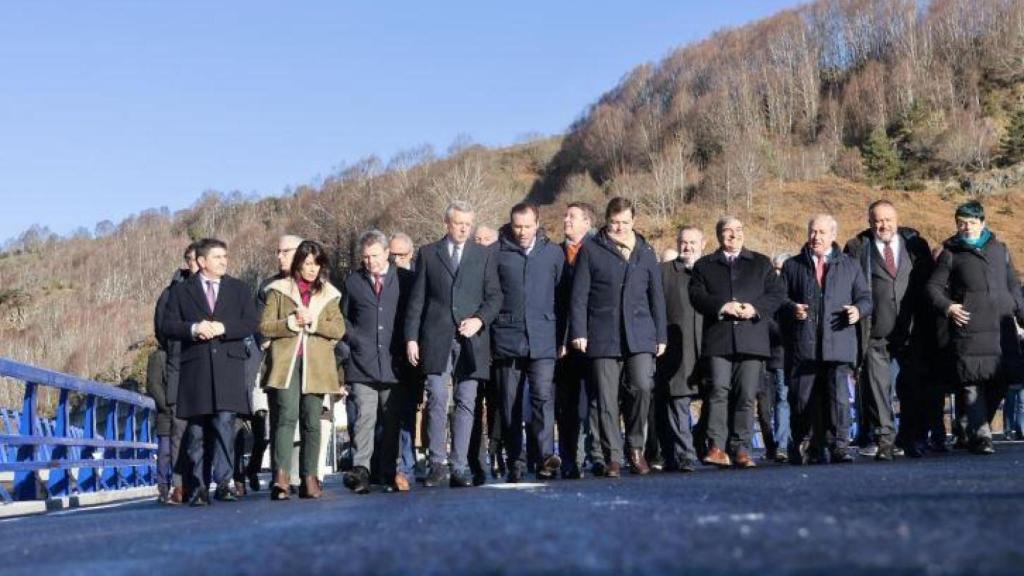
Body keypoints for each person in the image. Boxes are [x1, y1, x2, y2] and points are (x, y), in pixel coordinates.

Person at [404, 201, 502, 488]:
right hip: (435, 337)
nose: (463, 228)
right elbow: (417, 300)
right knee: (436, 396)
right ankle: (437, 463)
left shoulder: (483, 255)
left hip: (472, 339)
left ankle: (459, 466)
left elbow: (495, 297)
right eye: (458, 222)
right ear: (446, 223)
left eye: (468, 224)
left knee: (466, 401)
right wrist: (411, 337)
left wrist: (479, 321)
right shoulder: (428, 254)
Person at [570, 197, 667, 476]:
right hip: (602, 334)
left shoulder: (646, 251)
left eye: (625, 222)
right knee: (605, 398)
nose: (619, 227)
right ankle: (613, 455)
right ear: (606, 221)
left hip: (640, 333)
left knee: (642, 387)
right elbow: (579, 296)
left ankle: (635, 447)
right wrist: (579, 331)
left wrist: (660, 334)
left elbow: (656, 296)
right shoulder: (591, 250)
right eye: (614, 222)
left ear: (633, 221)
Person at [160, 238, 260, 506]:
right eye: (217, 257)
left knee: (225, 425)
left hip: (228, 366)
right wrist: (194, 329)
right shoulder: (182, 292)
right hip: (196, 368)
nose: (223, 261)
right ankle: (198, 486)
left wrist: (224, 328)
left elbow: (251, 322)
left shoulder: (239, 289)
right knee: (196, 430)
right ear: (202, 262)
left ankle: (224, 482)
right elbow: (168, 325)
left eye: (225, 256)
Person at [926, 201, 1024, 455]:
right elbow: (933, 288)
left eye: (970, 222)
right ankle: (981, 438)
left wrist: (1018, 311)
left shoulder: (999, 250)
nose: (965, 227)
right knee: (971, 383)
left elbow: (1014, 286)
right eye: (961, 223)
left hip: (1001, 332)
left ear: (982, 222)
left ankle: (968, 424)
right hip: (970, 330)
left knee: (1000, 383)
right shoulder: (951, 253)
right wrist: (948, 307)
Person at [689, 216, 785, 468]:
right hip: (718, 339)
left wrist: (755, 309)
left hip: (752, 338)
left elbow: (777, 294)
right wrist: (722, 306)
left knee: (745, 394)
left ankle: (741, 448)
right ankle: (717, 447)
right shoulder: (704, 265)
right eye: (728, 231)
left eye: (739, 230)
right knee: (718, 391)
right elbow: (696, 296)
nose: (734, 235)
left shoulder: (761, 263)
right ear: (719, 235)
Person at [844, 200, 934, 460]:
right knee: (878, 389)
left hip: (911, 331)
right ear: (870, 222)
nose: (882, 225)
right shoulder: (858, 247)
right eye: (877, 221)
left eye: (887, 220)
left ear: (897, 220)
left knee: (912, 386)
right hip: (875, 331)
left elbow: (929, 284)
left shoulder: (915, 245)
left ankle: (912, 437)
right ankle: (885, 439)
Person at [781, 214, 872, 465]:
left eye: (821, 232)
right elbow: (779, 299)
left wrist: (857, 311)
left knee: (838, 400)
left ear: (833, 235)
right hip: (804, 346)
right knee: (801, 399)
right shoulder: (792, 266)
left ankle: (839, 446)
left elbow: (865, 298)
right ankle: (805, 445)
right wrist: (791, 308)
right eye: (812, 232)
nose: (816, 237)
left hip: (838, 343)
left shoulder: (850, 265)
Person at [260, 240, 345, 499]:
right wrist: (290, 322)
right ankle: (281, 479)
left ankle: (310, 479)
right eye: (307, 263)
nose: (312, 269)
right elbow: (265, 326)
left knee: (312, 421)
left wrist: (314, 321)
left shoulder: (329, 294)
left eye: (317, 264)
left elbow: (338, 329)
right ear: (298, 263)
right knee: (285, 418)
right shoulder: (279, 290)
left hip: (317, 365)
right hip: (286, 363)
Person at [492, 203, 566, 482]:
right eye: (517, 226)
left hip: (544, 338)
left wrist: (564, 337)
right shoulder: (496, 253)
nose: (522, 232)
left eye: (527, 226)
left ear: (538, 223)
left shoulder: (553, 253)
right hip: (507, 337)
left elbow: (563, 297)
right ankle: (516, 460)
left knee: (542, 397)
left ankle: (546, 456)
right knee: (510, 404)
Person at [341, 230, 414, 494]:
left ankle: (387, 471)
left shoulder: (405, 279)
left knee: (392, 421)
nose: (370, 261)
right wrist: (355, 338)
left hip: (394, 363)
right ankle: (361, 470)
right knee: (364, 418)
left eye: (374, 256)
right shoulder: (353, 282)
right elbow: (343, 318)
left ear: (386, 253)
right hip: (362, 363)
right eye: (365, 257)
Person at [654, 226, 706, 473]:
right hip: (676, 348)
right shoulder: (663, 272)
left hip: (708, 347)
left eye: (693, 242)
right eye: (683, 242)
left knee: (716, 399)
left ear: (703, 244)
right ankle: (684, 454)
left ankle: (700, 442)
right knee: (678, 401)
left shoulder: (711, 271)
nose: (688, 247)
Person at [150, 242, 199, 504]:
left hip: (204, 365)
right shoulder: (171, 293)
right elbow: (161, 327)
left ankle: (198, 482)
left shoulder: (215, 288)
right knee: (178, 433)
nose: (197, 265)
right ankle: (179, 485)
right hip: (180, 361)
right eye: (193, 260)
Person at [554, 202, 598, 479]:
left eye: (572, 216)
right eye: (566, 216)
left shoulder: (599, 251)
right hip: (562, 342)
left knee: (595, 402)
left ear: (587, 222)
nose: (566, 220)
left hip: (595, 339)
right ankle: (570, 460)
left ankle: (598, 457)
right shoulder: (555, 254)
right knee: (567, 404)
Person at [388, 232, 422, 483]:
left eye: (401, 254)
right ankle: (394, 465)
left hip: (413, 354)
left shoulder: (418, 279)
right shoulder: (383, 279)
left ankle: (409, 464)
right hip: (388, 353)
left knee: (409, 412)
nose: (397, 259)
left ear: (411, 254)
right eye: (393, 254)